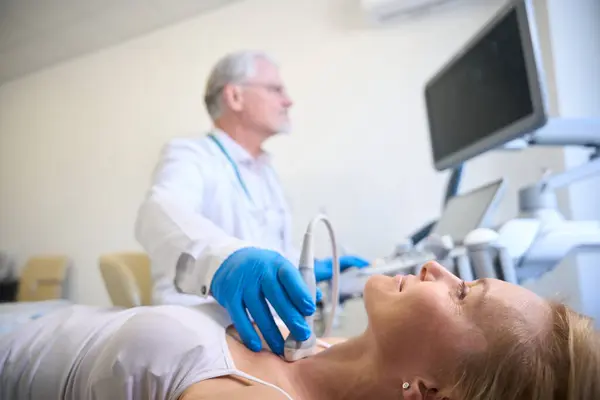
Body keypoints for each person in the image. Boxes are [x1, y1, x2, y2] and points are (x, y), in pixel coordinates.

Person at [1, 262, 598, 400]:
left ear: (429, 390)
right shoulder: (326, 343)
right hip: (38, 322)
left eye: (463, 294)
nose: (435, 270)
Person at [134, 50, 370, 356]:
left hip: (263, 329)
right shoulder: (190, 154)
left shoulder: (264, 171)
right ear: (235, 96)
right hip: (202, 331)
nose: (288, 101)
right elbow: (159, 211)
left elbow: (269, 251)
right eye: (275, 89)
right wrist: (223, 262)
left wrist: (312, 269)